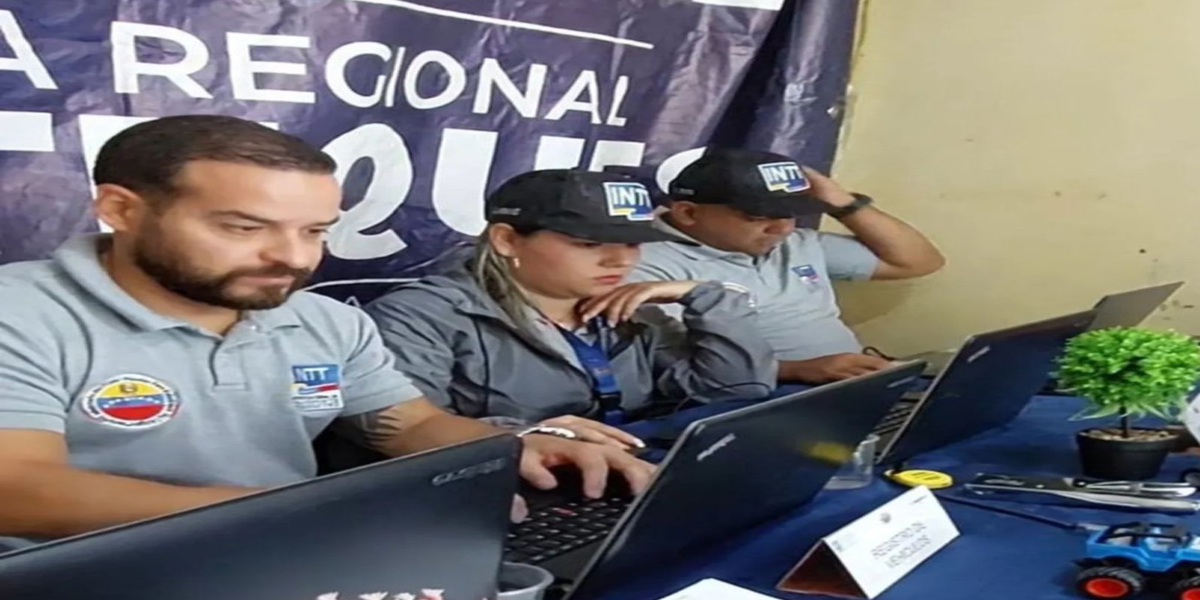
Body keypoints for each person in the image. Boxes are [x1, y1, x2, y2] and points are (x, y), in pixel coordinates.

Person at [0, 115, 651, 547]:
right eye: (244, 228)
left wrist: (506, 448)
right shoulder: (21, 313)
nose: (293, 257)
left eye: (314, 231)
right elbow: (17, 491)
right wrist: (300, 516)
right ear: (121, 209)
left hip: (291, 552)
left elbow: (406, 424)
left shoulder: (323, 319)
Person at [364, 169, 777, 449]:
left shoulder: (632, 310)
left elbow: (735, 393)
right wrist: (538, 438)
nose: (620, 261)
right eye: (589, 244)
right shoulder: (421, 317)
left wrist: (706, 296)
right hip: (508, 488)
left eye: (632, 243)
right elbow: (413, 436)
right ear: (507, 240)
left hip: (622, 476)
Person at [630, 148, 945, 384]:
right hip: (756, 400)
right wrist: (798, 370)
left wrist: (843, 203)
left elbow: (918, 262)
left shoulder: (796, 243)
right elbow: (676, 369)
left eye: (790, 214)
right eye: (758, 217)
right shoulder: (645, 263)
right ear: (688, 213)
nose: (781, 229)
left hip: (849, 386)